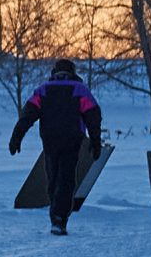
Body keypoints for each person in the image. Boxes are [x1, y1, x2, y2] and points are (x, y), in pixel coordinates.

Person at [8, 58, 104, 236]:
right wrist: (95, 142)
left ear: (54, 72)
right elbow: (93, 116)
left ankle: (56, 215)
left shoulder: (43, 90)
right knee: (66, 179)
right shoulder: (80, 90)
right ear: (73, 73)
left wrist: (16, 137)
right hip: (72, 140)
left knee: (53, 177)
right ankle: (59, 219)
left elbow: (27, 115)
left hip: (50, 140)